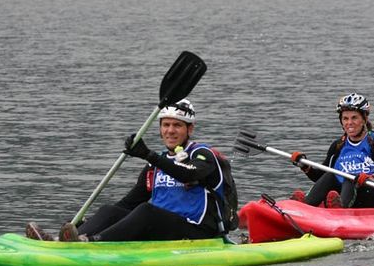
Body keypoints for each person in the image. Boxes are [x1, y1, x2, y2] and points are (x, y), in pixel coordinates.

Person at [26, 98, 225, 241]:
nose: (170, 130)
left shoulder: (203, 154)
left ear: (189, 129)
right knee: (111, 209)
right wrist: (89, 222)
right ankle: (61, 241)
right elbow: (128, 204)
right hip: (162, 227)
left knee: (146, 211)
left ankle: (90, 242)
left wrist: (148, 155)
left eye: (177, 125)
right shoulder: (154, 165)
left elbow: (189, 173)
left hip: (198, 231)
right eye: (166, 125)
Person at [289, 93, 374, 208]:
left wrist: (373, 177)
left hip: (372, 197)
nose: (349, 123)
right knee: (331, 175)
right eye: (345, 118)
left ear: (364, 119)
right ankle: (305, 206)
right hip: (347, 197)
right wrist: (305, 166)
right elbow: (320, 177)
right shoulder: (338, 145)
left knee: (350, 178)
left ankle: (340, 209)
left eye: (354, 118)